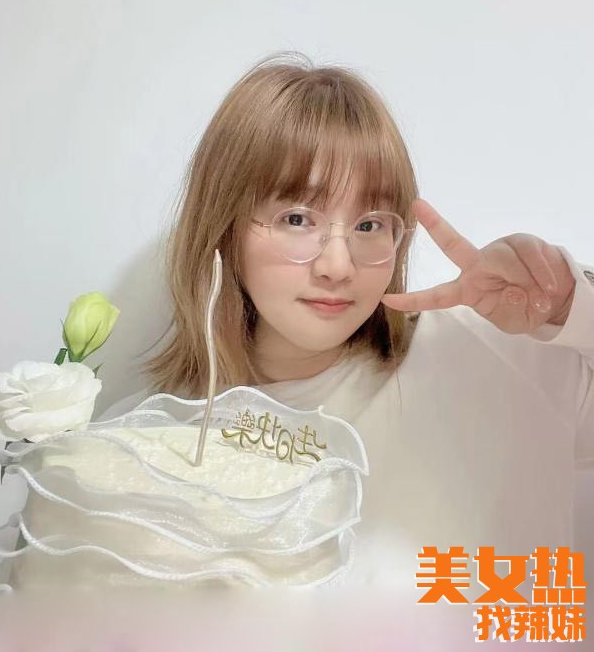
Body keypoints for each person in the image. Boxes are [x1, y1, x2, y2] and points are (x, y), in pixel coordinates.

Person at [106, 50, 593, 628]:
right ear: (223, 227)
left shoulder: (503, 355)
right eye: (297, 219)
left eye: (369, 225)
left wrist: (573, 306)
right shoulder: (137, 451)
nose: (338, 266)